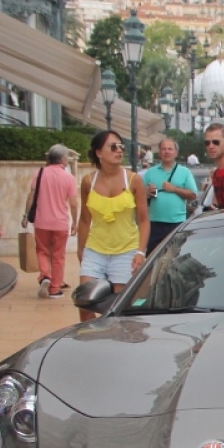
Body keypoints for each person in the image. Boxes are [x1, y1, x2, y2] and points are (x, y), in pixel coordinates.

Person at [77, 130, 150, 321]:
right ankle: (91, 343)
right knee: (84, 302)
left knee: (121, 308)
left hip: (126, 250)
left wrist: (141, 252)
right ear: (99, 153)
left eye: (121, 147)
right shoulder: (88, 182)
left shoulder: (134, 180)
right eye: (113, 147)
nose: (119, 151)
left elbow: (143, 219)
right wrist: (81, 249)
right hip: (95, 249)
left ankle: (119, 344)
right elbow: (85, 220)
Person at [21, 144, 79, 299]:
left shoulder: (39, 173)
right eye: (66, 157)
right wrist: (75, 222)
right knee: (58, 256)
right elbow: (73, 203)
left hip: (41, 222)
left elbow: (31, 196)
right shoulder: (69, 178)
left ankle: (45, 276)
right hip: (60, 223)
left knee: (42, 251)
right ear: (61, 159)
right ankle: (55, 289)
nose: (67, 160)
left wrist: (26, 215)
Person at [142, 137, 199, 255]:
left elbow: (193, 195)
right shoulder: (150, 172)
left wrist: (174, 189)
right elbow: (139, 196)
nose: (166, 152)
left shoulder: (185, 172)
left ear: (176, 153)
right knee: (153, 258)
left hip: (177, 223)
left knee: (175, 258)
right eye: (163, 149)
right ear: (159, 152)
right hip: (155, 224)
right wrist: (147, 193)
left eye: (170, 149)